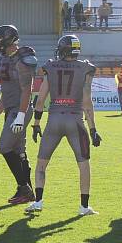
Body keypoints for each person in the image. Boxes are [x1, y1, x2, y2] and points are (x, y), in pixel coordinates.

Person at [26, 35, 101, 215]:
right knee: (83, 164)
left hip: (54, 120)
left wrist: (36, 124)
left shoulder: (51, 66)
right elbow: (87, 102)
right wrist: (93, 129)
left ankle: (38, 202)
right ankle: (84, 207)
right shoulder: (85, 68)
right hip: (75, 120)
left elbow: (40, 99)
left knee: (41, 164)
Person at [0, 24, 37, 205]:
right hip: (11, 109)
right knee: (19, 151)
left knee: (4, 147)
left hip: (20, 109)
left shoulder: (23, 60)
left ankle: (24, 187)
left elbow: (26, 91)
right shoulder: (5, 59)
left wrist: (21, 116)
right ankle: (27, 191)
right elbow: (6, 90)